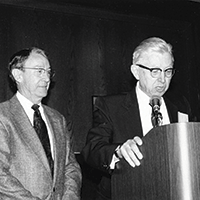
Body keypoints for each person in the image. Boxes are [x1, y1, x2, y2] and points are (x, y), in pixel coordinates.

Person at [81, 37, 191, 200]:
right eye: (154, 71)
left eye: (167, 71)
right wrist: (118, 152)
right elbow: (92, 149)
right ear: (136, 71)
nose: (162, 79)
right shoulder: (111, 106)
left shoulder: (181, 107)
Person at [0, 47, 82, 199]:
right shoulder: (3, 116)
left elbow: (70, 167)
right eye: (39, 71)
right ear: (18, 75)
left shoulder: (58, 119)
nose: (46, 78)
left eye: (48, 72)